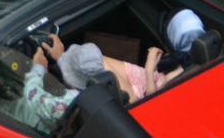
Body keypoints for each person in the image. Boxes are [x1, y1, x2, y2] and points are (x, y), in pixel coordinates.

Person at [44, 36, 182, 103]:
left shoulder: (126, 97)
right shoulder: (98, 62)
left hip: (148, 91)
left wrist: (149, 69)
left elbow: (142, 101)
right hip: (145, 83)